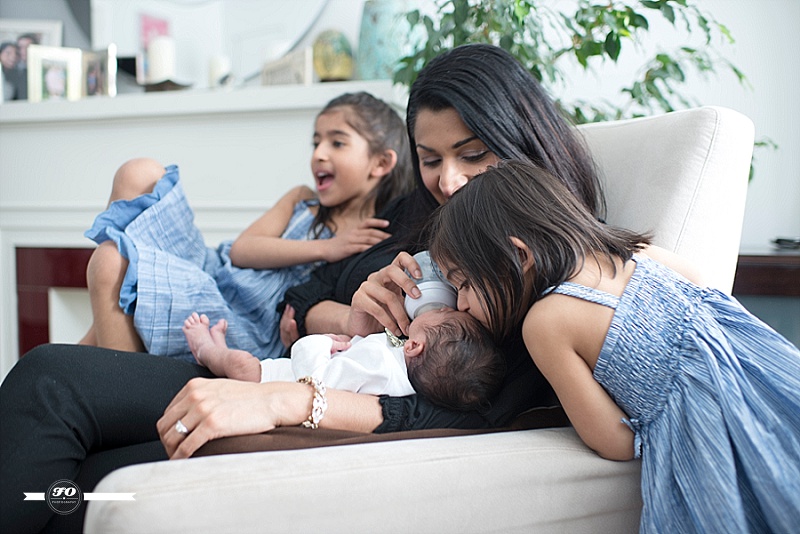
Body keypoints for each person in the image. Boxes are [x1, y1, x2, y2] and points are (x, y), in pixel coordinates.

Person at [0, 44, 604, 533]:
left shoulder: (548, 265)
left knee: (85, 475)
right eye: (430, 159)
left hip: (317, 409)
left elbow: (473, 412)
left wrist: (290, 401)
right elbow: (305, 292)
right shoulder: (422, 221)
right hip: (286, 366)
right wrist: (350, 314)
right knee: (51, 380)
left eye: (473, 154)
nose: (449, 181)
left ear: (521, 139)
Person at [427, 159, 800, 533]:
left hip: (706, 427)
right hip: (765, 374)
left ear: (520, 256)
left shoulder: (545, 323)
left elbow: (615, 441)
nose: (461, 304)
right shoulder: (638, 253)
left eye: (465, 284)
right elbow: (702, 284)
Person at [79, 91, 413, 361]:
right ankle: (81, 357)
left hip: (244, 321)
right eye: (316, 143)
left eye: (337, 143)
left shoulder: (375, 237)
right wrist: (326, 248)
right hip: (216, 273)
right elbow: (242, 250)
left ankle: (95, 375)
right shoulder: (302, 200)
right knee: (138, 173)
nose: (319, 154)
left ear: (381, 163)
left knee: (110, 262)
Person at [183, 307, 505, 411]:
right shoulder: (403, 383)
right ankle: (217, 348)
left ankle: (206, 349)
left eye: (444, 313)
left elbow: (313, 385)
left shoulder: (380, 365)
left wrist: (320, 343)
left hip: (274, 384)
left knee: (241, 365)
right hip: (283, 379)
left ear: (415, 346)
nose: (443, 306)